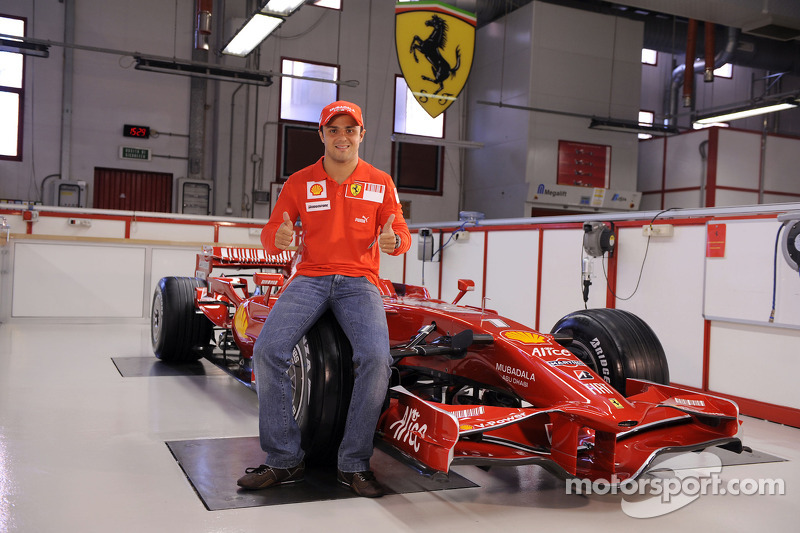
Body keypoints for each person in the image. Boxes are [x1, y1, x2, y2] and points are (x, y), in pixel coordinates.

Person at [237, 101, 410, 498]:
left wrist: (394, 240)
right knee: (267, 351)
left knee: (376, 359)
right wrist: (276, 239)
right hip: (309, 278)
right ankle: (284, 459)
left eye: (351, 129)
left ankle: (353, 464)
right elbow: (272, 229)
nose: (342, 136)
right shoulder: (299, 181)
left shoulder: (381, 181)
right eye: (334, 129)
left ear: (361, 135)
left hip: (359, 280)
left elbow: (400, 232)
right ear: (322, 135)